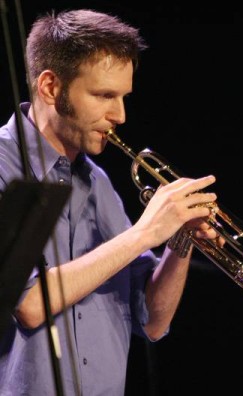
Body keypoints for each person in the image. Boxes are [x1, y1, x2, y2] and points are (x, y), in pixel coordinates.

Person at [0, 9, 221, 395]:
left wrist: (181, 240)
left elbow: (153, 321)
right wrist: (145, 232)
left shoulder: (98, 183)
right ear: (51, 87)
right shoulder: (4, 167)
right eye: (104, 95)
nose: (119, 115)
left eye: (123, 97)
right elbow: (30, 304)